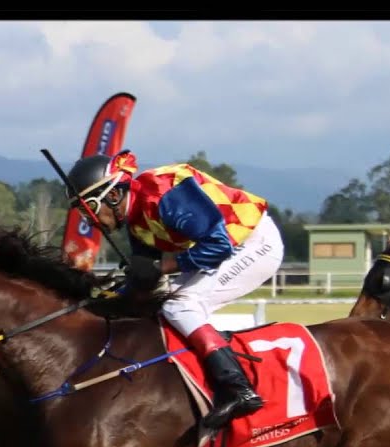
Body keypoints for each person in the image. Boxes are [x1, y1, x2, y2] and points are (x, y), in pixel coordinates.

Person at [65, 150, 285, 430]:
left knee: (180, 304)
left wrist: (161, 266)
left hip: (255, 242)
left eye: (89, 208)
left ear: (113, 195)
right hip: (227, 248)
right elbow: (145, 282)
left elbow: (217, 247)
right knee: (165, 304)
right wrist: (105, 303)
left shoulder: (164, 194)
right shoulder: (136, 219)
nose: (90, 220)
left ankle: (239, 388)